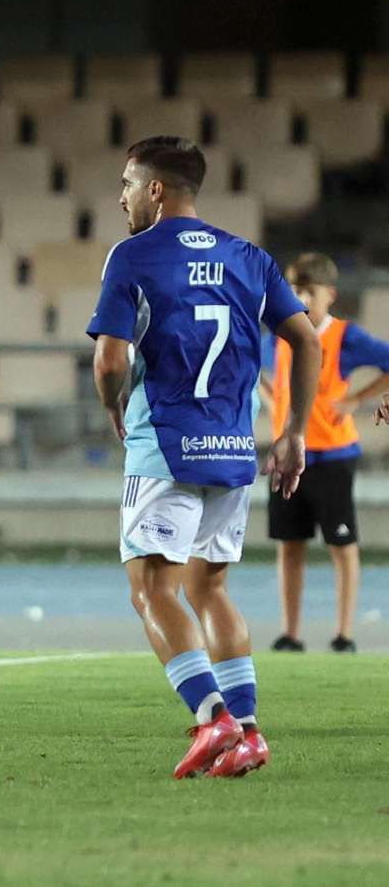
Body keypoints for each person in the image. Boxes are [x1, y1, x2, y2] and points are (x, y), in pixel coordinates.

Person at [89, 136, 321, 779]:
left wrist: (113, 406)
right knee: (210, 587)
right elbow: (306, 342)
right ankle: (247, 732)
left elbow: (110, 360)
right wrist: (294, 431)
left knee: (151, 588)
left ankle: (212, 716)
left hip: (164, 442)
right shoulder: (249, 258)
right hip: (229, 448)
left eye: (129, 184)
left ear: (156, 189)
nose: (122, 196)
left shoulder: (133, 255)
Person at [260, 253, 389, 654]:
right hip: (288, 455)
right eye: (293, 290)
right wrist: (270, 400)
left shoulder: (344, 337)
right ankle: (290, 633)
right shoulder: (277, 335)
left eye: (308, 291)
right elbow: (259, 372)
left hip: (332, 455)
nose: (299, 298)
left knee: (341, 545)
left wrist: (357, 400)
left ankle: (344, 634)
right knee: (289, 544)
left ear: (329, 294)